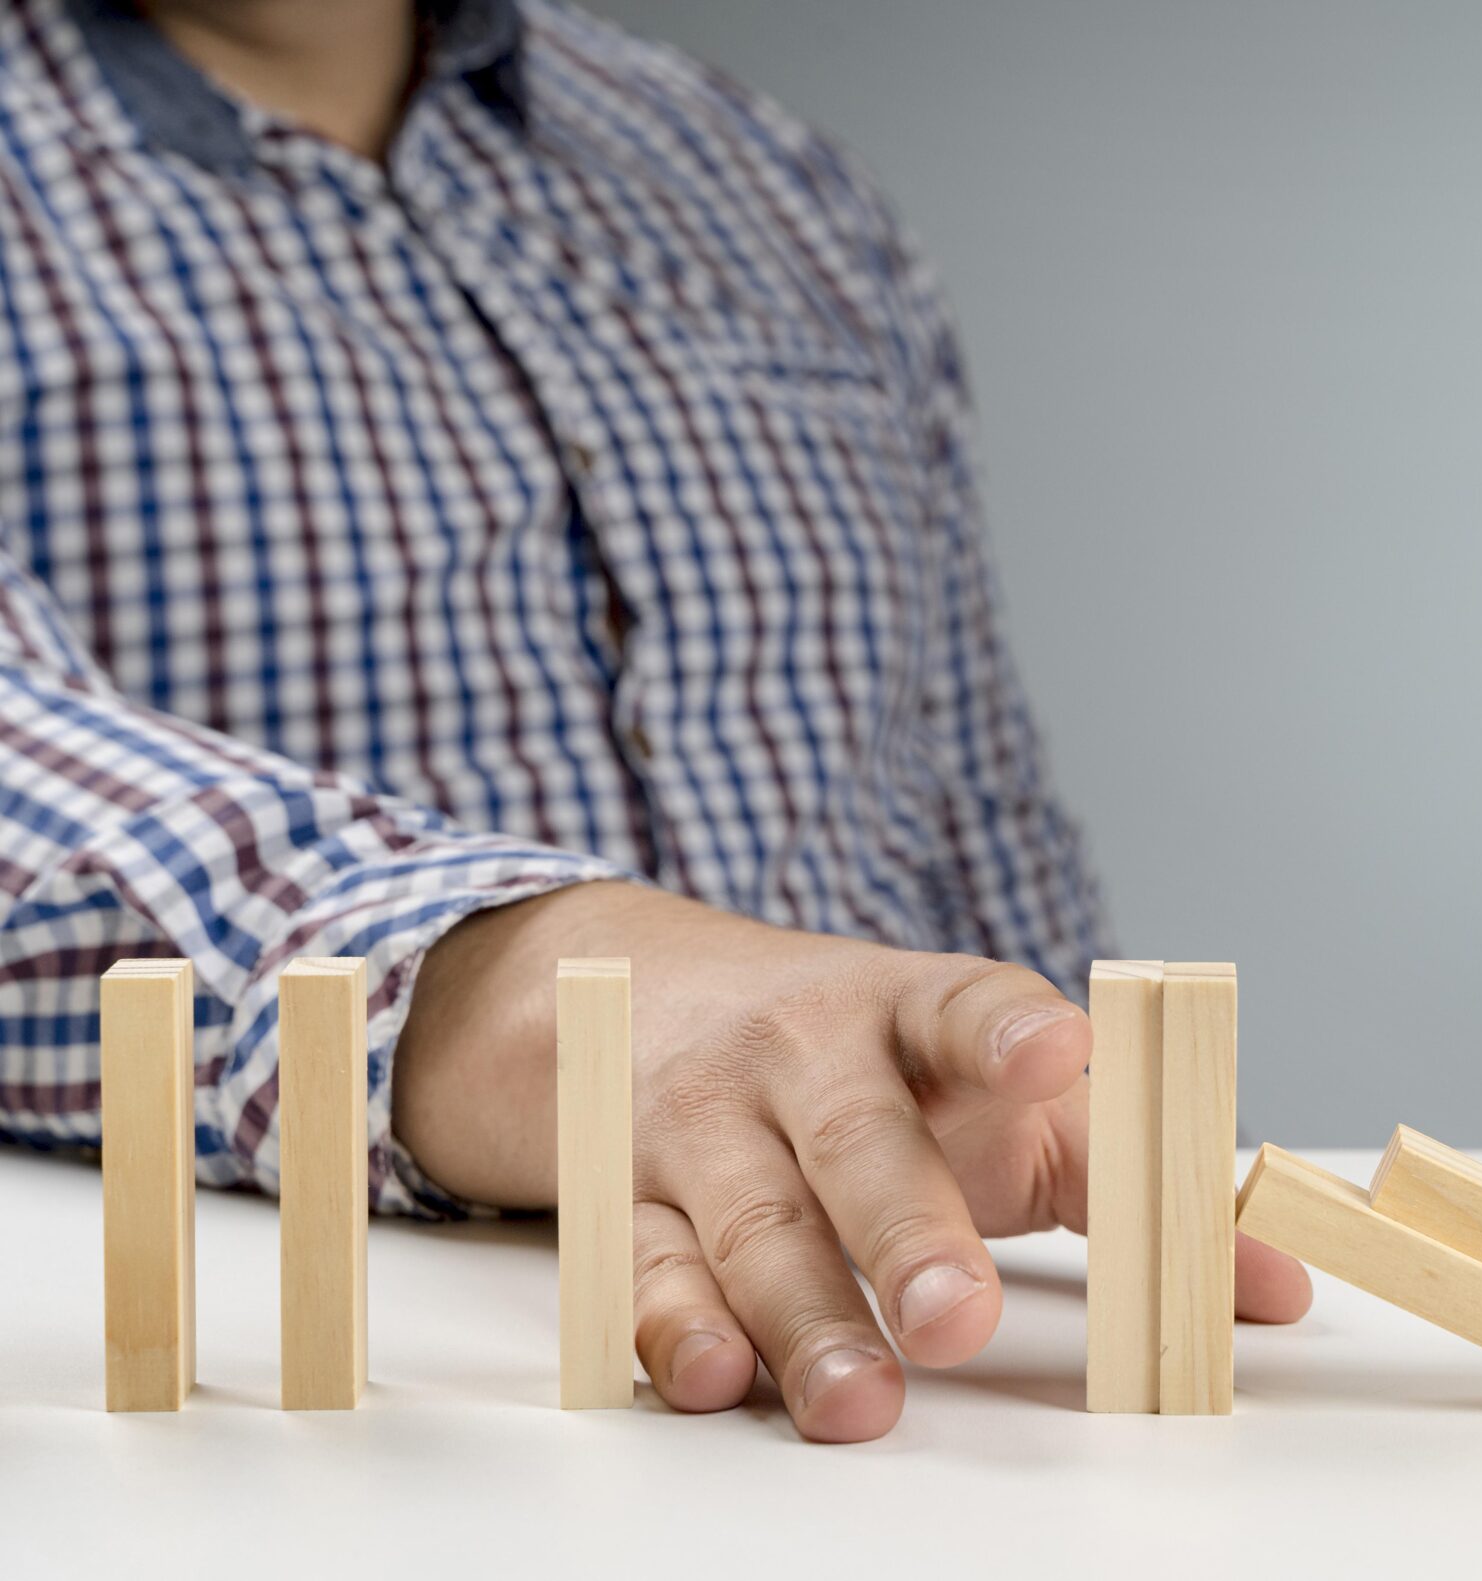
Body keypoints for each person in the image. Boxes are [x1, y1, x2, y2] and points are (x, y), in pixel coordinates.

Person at [0, 0, 1311, 1442]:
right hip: (355, 1393)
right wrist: (531, 1000)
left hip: (937, 1359)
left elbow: (964, 801)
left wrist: (1047, 1108)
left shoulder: (766, 179)